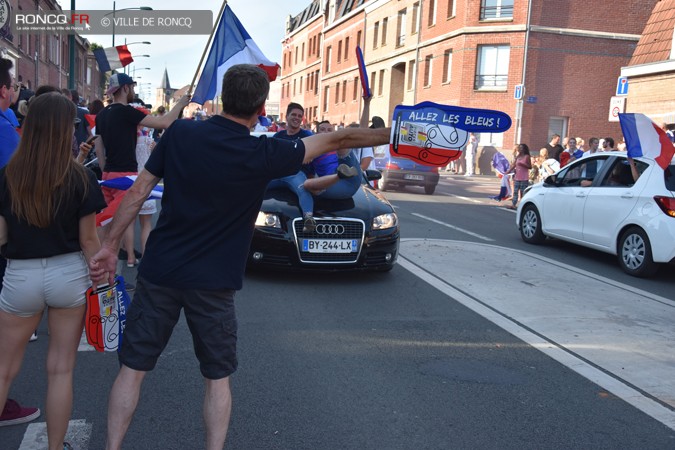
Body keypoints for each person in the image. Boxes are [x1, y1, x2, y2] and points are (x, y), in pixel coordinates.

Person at [87, 64, 390, 450]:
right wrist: (399, 136)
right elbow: (340, 138)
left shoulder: (180, 133)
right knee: (216, 378)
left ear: (223, 98)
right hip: (214, 282)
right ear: (261, 107)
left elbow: (138, 191)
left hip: (161, 270)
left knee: (133, 369)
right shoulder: (264, 152)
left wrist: (111, 245)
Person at [0, 93, 106, 449]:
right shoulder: (80, 178)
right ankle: (55, 446)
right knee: (60, 369)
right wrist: (104, 281)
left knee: (4, 370)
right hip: (68, 276)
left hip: (20, 275)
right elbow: (89, 241)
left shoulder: (7, 177)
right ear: (65, 131)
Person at [95, 73, 189, 268]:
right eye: (132, 87)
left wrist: (106, 171)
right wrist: (180, 104)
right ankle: (106, 274)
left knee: (104, 223)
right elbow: (164, 123)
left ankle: (100, 269)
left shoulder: (102, 114)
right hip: (125, 176)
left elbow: (99, 147)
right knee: (115, 229)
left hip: (108, 176)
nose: (134, 91)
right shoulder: (127, 111)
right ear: (126, 88)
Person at [0, 57, 42, 428]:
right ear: (3, 91)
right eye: (13, 86)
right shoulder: (4, 130)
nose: (15, 91)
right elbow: (16, 190)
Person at [506, 143, 532, 209]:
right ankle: (513, 204)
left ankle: (523, 205)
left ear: (524, 149)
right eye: (519, 148)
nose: (520, 149)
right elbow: (514, 165)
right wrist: (508, 171)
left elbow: (530, 166)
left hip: (524, 177)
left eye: (521, 148)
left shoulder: (527, 156)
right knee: (515, 191)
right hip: (517, 177)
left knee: (523, 192)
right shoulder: (518, 156)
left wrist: (523, 165)